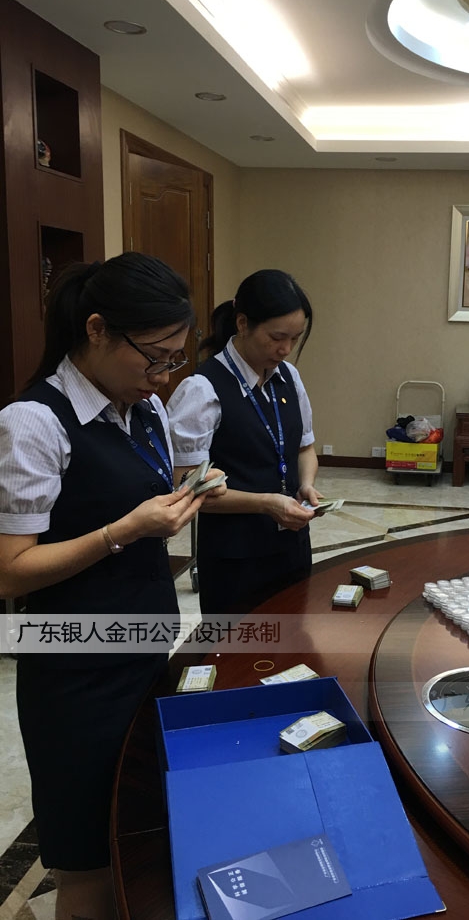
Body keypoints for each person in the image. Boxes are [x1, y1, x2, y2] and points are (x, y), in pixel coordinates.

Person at [0, 252, 225, 920]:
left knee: (137, 833)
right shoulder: (33, 422)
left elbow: (145, 494)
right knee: (89, 860)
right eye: (153, 357)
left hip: (143, 647)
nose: (163, 376)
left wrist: (190, 492)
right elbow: (10, 569)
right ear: (96, 330)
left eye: (174, 360)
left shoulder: (146, 408)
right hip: (75, 672)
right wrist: (121, 531)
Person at [167, 268, 321, 616]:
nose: (285, 349)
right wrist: (265, 503)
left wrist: (307, 484)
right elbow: (186, 488)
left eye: (295, 339)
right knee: (239, 643)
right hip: (235, 557)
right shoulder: (202, 390)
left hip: (292, 545)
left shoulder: (289, 377)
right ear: (242, 323)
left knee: (292, 635)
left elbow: (305, 448)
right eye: (276, 337)